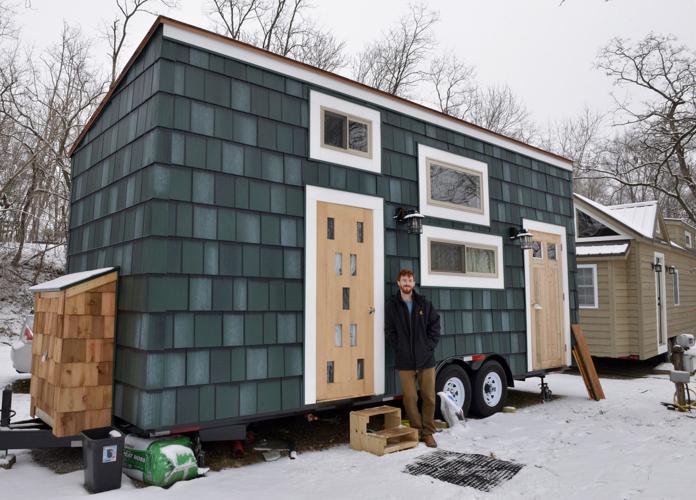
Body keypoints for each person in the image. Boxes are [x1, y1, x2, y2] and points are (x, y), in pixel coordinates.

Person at [385, 269, 441, 448]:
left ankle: (429, 432)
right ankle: (417, 431)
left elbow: (435, 326)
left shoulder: (424, 303)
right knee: (409, 398)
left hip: (426, 359)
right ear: (398, 283)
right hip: (405, 360)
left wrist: (428, 346)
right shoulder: (392, 305)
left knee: (429, 397)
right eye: (404, 280)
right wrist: (399, 347)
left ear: (414, 283)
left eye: (410, 280)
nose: (407, 283)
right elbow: (389, 330)